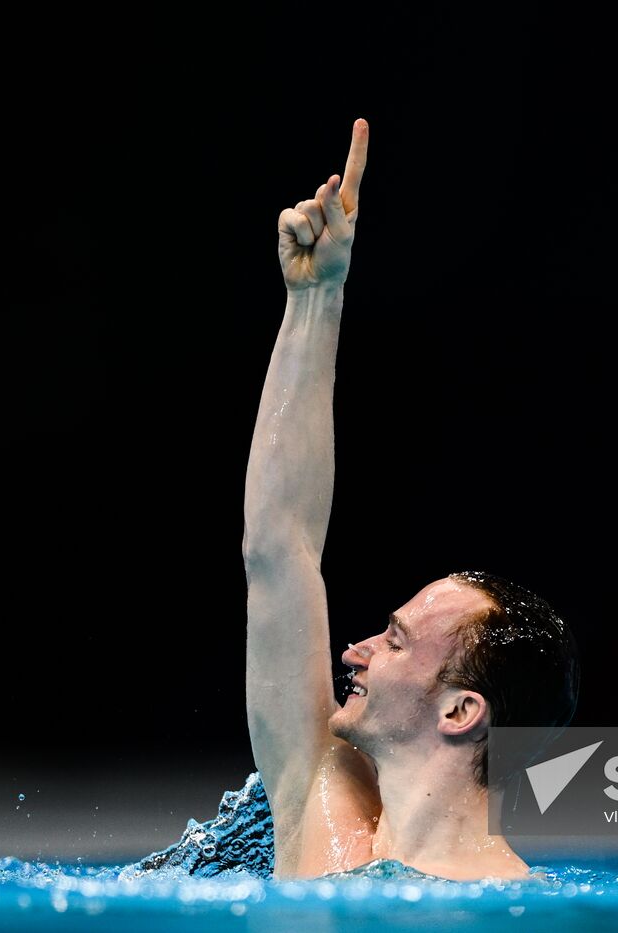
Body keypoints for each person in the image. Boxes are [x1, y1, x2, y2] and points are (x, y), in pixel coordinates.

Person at [243, 118, 580, 881]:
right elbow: (277, 546)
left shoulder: (515, 908)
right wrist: (315, 296)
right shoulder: (322, 804)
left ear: (461, 710)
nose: (353, 650)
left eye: (394, 641)